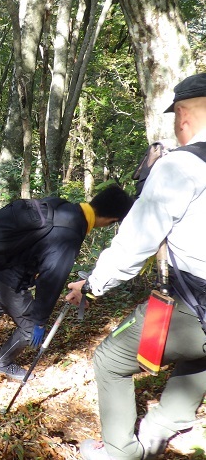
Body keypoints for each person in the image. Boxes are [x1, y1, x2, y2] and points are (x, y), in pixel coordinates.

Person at [67, 73, 206, 460]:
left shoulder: (182, 166)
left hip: (191, 302)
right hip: (198, 307)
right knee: (199, 350)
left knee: (110, 360)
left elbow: (135, 243)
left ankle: (119, 451)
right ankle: (171, 418)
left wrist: (93, 284)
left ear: (182, 115)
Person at [0, 185, 133, 381]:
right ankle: (2, 362)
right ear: (112, 221)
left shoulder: (62, 205)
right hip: (4, 271)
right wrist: (40, 320)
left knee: (3, 300)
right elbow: (51, 279)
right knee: (28, 327)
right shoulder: (70, 233)